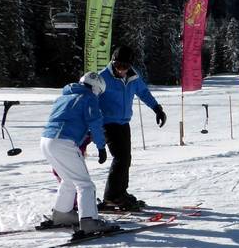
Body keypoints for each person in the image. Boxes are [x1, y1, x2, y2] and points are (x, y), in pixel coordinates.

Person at [40, 72, 117, 235]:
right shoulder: (89, 98)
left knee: (68, 180)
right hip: (64, 142)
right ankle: (89, 222)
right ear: (96, 88)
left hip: (46, 141)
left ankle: (62, 214)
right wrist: (101, 147)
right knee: (85, 184)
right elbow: (95, 122)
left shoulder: (63, 97)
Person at [97, 46, 166, 210]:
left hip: (123, 123)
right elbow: (90, 100)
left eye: (125, 66)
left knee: (126, 158)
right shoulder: (102, 77)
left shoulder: (133, 77)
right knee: (120, 158)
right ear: (112, 62)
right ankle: (111, 196)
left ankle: (121, 192)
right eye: (118, 65)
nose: (121, 69)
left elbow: (143, 92)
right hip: (107, 123)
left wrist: (157, 108)